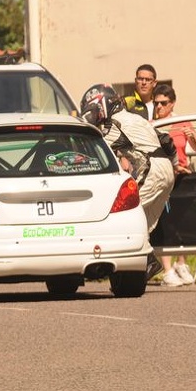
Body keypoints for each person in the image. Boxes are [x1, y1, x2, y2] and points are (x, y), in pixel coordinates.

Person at [80, 83, 176, 281]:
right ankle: (140, 268)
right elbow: (166, 141)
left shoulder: (114, 124)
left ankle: (145, 263)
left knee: (127, 214)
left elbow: (95, 148)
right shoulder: (134, 117)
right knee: (142, 223)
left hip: (151, 170)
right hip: (166, 168)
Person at [151, 83, 196, 286]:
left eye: (163, 103)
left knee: (183, 221)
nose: (159, 107)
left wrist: (193, 136)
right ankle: (167, 269)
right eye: (156, 103)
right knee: (166, 223)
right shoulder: (152, 125)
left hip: (182, 176)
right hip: (163, 177)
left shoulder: (182, 123)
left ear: (172, 104)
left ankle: (182, 262)